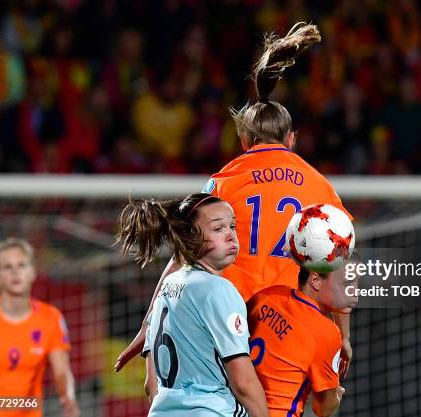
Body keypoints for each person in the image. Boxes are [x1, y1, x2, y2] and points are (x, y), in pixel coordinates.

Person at [115, 22, 354, 378]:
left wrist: (147, 326)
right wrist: (342, 334)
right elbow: (338, 262)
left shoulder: (223, 181)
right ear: (292, 139)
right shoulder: (321, 188)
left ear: (244, 140)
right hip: (291, 328)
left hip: (229, 323)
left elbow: (183, 258)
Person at [116, 193, 269, 417]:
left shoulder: (168, 286)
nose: (231, 236)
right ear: (191, 237)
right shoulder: (218, 290)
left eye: (232, 226)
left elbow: (151, 385)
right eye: (218, 229)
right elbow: (243, 382)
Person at [0, 238, 79, 417]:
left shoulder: (50, 317)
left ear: (32, 272)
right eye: (7, 267)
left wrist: (67, 396)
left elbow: (62, 370)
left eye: (21, 265)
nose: (15, 272)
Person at [247, 264, 359, 417]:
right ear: (315, 280)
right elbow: (323, 409)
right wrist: (336, 396)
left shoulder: (268, 295)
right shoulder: (326, 332)